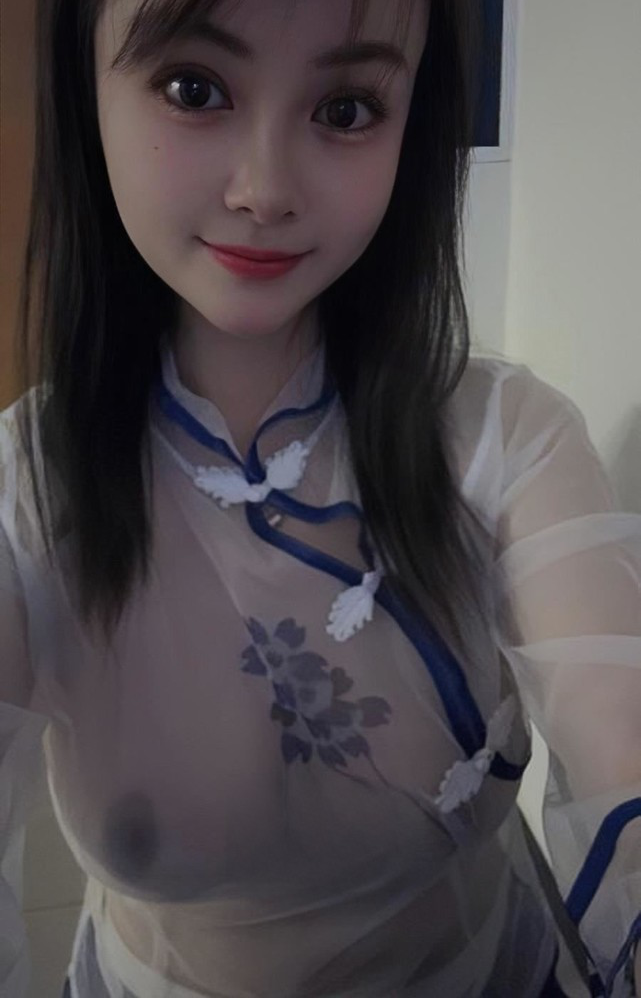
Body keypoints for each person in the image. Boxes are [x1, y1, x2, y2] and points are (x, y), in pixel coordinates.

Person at [1, 0, 640, 995]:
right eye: (193, 89)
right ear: (87, 89)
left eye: (345, 109)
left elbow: (622, 741)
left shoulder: (505, 440)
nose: (264, 190)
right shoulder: (29, 493)